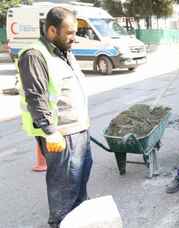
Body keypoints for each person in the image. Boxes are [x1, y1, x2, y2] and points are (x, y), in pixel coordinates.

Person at [17, 7, 92, 227]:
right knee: (64, 189)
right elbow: (35, 97)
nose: (74, 38)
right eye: (69, 33)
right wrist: (50, 132)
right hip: (61, 136)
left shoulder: (63, 51)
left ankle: (78, 220)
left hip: (78, 131)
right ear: (52, 30)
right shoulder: (35, 55)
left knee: (79, 184)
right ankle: (60, 222)